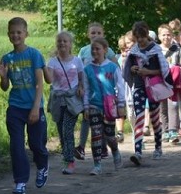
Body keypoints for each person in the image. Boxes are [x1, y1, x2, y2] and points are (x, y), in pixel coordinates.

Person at [0, 17, 49, 194]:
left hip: (34, 106)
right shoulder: (7, 58)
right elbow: (5, 87)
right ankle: (20, 181)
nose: (15, 35)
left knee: (36, 145)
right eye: (12, 32)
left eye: (19, 32)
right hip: (15, 107)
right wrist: (3, 77)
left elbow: (40, 84)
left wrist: (35, 108)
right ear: (8, 34)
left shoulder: (34, 55)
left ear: (26, 34)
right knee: (16, 146)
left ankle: (42, 165)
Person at [123, 21, 169, 165]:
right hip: (139, 86)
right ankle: (138, 151)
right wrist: (133, 69)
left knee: (155, 119)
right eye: (138, 38)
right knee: (139, 117)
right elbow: (128, 68)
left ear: (147, 35)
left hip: (153, 87)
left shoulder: (156, 50)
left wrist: (148, 72)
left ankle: (158, 146)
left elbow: (163, 70)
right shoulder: (134, 51)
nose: (140, 40)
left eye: (142, 37)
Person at [44, 30, 87, 175]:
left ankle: (69, 161)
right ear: (56, 44)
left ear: (70, 44)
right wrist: (43, 68)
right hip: (57, 99)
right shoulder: (52, 62)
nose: (62, 43)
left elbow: (82, 78)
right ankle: (67, 156)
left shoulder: (77, 61)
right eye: (59, 41)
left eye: (65, 41)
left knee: (67, 129)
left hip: (72, 99)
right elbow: (49, 80)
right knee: (62, 132)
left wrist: (81, 87)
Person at [84, 37, 126, 175]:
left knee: (109, 136)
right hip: (94, 105)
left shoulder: (112, 67)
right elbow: (86, 89)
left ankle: (115, 151)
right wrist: (86, 107)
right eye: (93, 49)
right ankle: (97, 165)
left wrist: (121, 105)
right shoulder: (88, 69)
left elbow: (120, 86)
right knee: (95, 134)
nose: (95, 51)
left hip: (109, 106)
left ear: (105, 50)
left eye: (98, 49)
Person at [75, 23, 117, 160]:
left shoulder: (108, 50)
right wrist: (80, 85)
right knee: (86, 118)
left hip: (104, 91)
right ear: (88, 34)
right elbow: (78, 70)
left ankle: (103, 146)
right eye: (93, 33)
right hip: (89, 90)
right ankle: (81, 147)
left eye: (99, 33)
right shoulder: (83, 51)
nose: (95, 35)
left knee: (103, 119)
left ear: (103, 35)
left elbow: (116, 67)